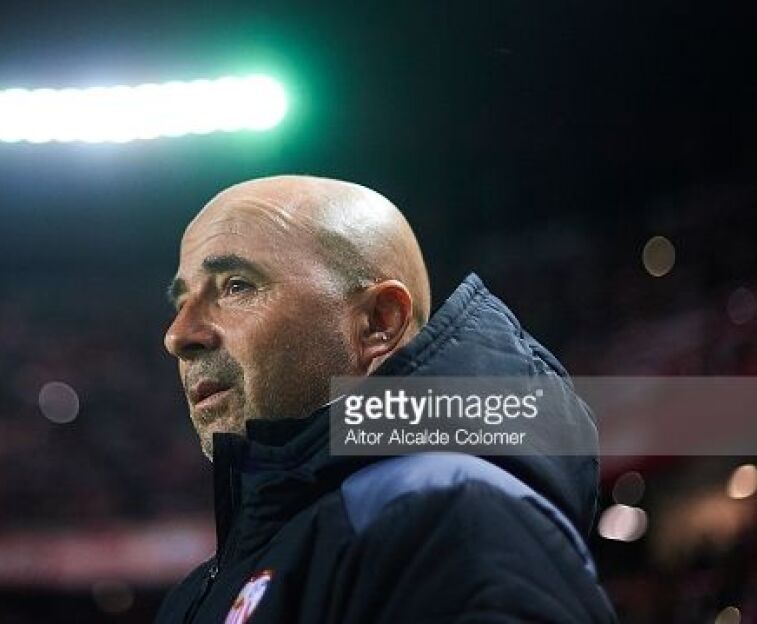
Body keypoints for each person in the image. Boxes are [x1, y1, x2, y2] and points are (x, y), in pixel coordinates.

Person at [157, 175, 616, 623]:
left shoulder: (448, 518)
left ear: (380, 322)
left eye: (236, 286)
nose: (178, 336)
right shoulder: (201, 589)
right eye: (181, 303)